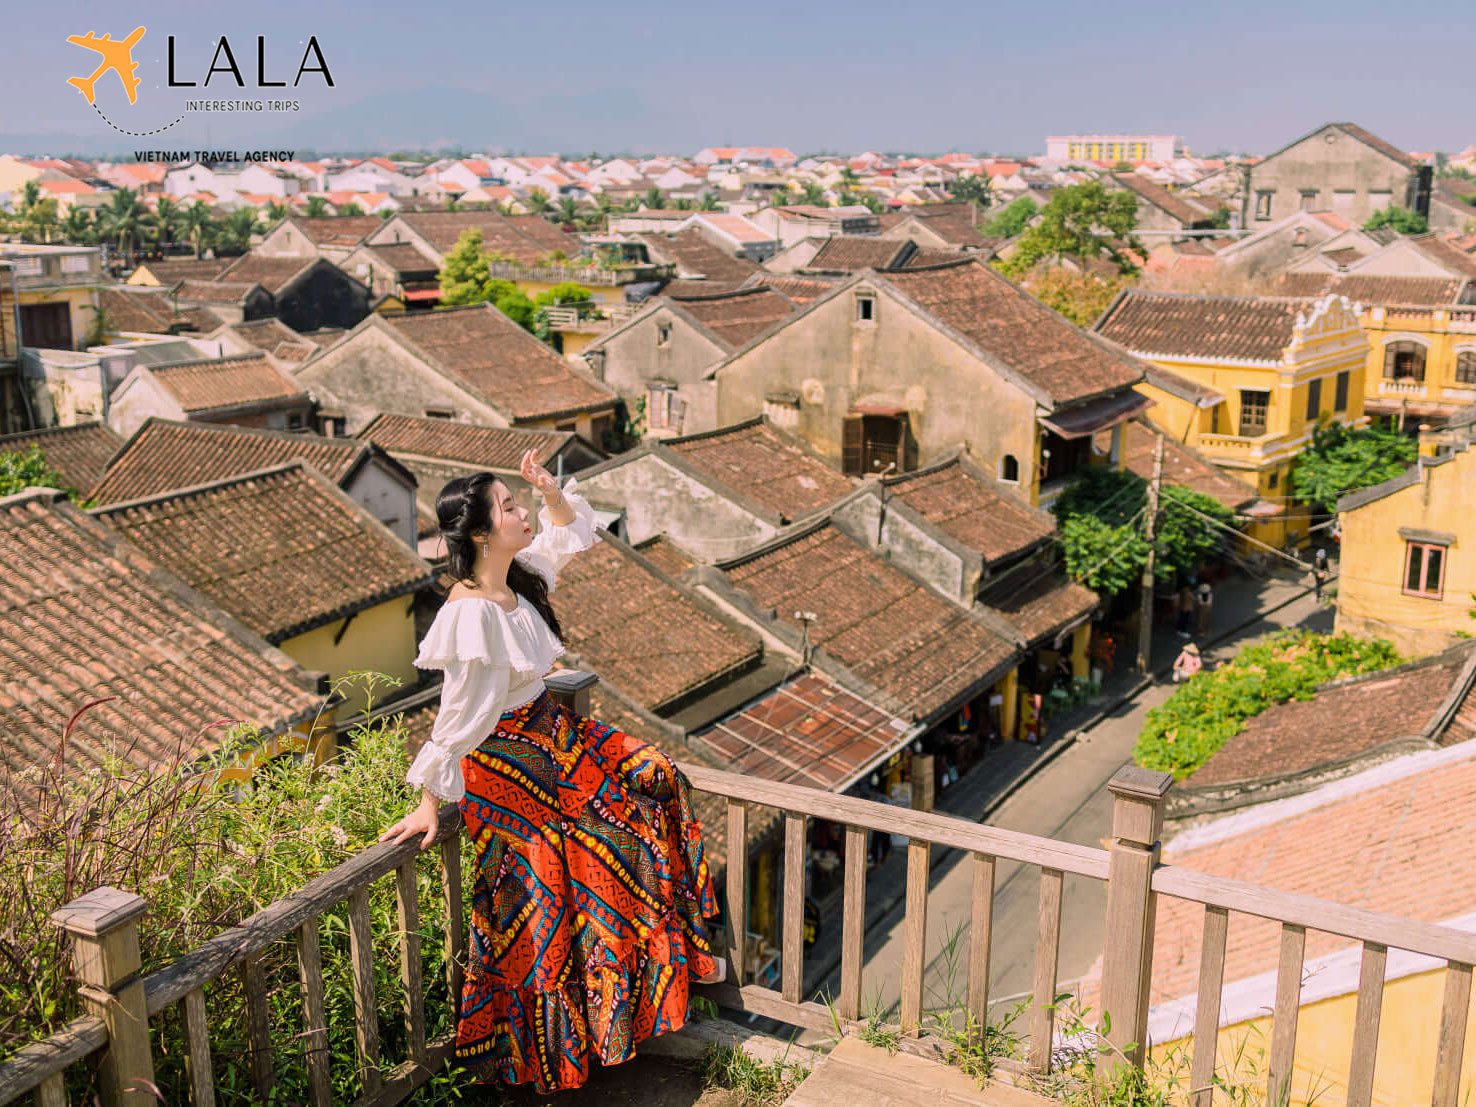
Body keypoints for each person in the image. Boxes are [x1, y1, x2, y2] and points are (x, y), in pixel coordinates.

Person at [379, 450, 722, 1094]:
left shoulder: (517, 578)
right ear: (481, 534)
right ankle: (546, 1059)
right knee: (559, 901)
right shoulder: (473, 611)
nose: (521, 511)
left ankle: (614, 1024)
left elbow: (571, 536)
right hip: (510, 769)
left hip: (558, 744)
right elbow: (458, 717)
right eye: (509, 506)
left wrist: (547, 492)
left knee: (657, 780)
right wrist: (430, 800)